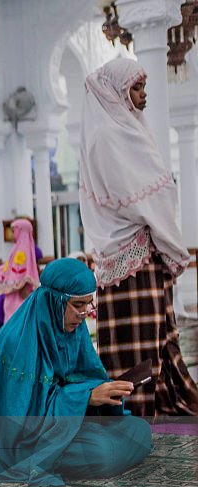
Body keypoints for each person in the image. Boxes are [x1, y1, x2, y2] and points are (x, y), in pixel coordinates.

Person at [0, 258, 151, 487]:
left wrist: (104, 392)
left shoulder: (73, 331)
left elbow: (87, 377)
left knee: (141, 430)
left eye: (89, 304)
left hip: (66, 422)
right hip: (24, 441)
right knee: (102, 452)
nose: (84, 314)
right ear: (54, 301)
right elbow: (18, 419)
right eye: (78, 305)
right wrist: (85, 396)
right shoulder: (14, 342)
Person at [79, 58, 197, 417]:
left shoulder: (126, 128)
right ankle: (133, 408)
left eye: (144, 87)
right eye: (136, 88)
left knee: (156, 335)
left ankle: (157, 398)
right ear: (118, 91)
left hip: (139, 253)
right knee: (137, 340)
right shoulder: (108, 135)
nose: (144, 95)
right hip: (130, 253)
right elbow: (141, 196)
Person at [0, 218, 41, 322]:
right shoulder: (20, 247)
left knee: (16, 316)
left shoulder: (23, 249)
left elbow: (20, 270)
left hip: (20, 291)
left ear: (20, 230)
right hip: (15, 292)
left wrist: (15, 282)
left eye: (14, 231)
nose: (13, 235)